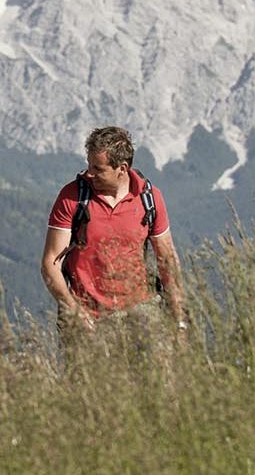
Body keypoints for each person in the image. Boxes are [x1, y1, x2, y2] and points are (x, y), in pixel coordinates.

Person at [39, 125, 186, 346]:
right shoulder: (72, 197)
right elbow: (50, 263)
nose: (89, 173)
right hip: (88, 316)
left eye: (98, 168)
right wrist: (73, 309)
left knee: (154, 380)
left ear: (122, 168)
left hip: (142, 313)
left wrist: (179, 321)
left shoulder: (150, 198)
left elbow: (167, 261)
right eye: (89, 165)